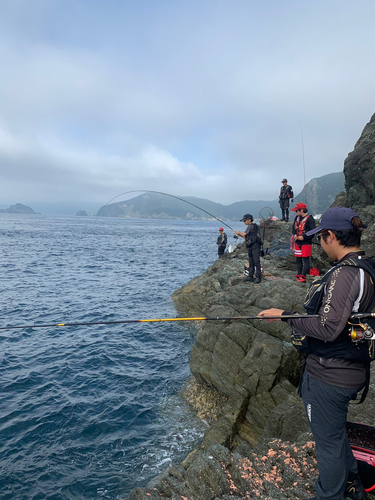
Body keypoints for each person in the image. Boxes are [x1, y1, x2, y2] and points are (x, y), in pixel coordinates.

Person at [259, 207, 373, 500]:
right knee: (335, 435)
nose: (320, 243)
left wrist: (283, 315)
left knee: (328, 443)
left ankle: (329, 495)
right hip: (349, 370)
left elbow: (327, 326)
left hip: (330, 376)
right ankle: (353, 486)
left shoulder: (346, 274)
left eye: (321, 237)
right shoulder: (367, 267)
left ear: (331, 236)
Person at [291, 202, 316, 282]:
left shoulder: (310, 219)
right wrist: (294, 235)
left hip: (306, 243)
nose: (296, 212)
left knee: (305, 259)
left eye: (297, 211)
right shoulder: (297, 218)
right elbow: (293, 228)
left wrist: (303, 237)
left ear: (302, 210)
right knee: (298, 259)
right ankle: (299, 274)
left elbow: (312, 232)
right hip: (298, 242)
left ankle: (304, 276)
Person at [235, 214, 262, 284]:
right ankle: (251, 276)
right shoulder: (254, 227)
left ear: (249, 220)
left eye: (245, 220)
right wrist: (240, 234)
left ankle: (258, 277)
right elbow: (246, 237)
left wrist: (239, 233)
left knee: (256, 262)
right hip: (251, 246)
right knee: (251, 262)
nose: (244, 222)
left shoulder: (251, 226)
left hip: (255, 247)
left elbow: (244, 234)